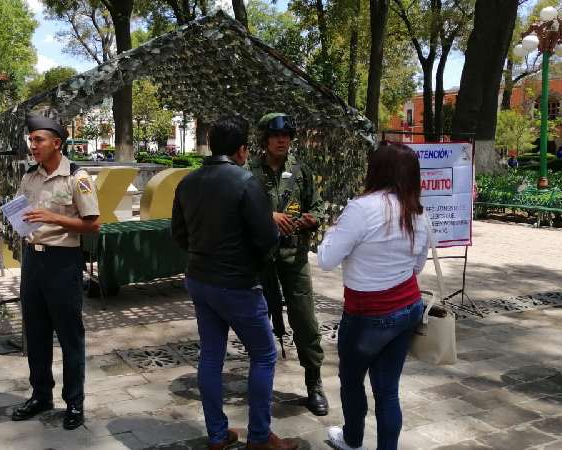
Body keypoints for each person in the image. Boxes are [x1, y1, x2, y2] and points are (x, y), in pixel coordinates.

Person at [172, 115, 297, 450]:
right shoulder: (245, 183)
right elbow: (266, 237)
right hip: (237, 284)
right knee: (264, 355)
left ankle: (217, 434)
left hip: (200, 278)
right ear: (243, 151)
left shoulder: (188, 182)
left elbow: (179, 235)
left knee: (212, 356)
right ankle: (259, 436)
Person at [317, 143, 429, 450]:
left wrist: (331, 231)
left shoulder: (361, 209)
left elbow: (326, 259)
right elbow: (416, 266)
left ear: (375, 170)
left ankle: (352, 439)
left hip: (367, 316)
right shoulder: (418, 212)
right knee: (388, 390)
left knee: (352, 381)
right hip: (407, 308)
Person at [11, 114, 100, 430]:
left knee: (69, 336)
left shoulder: (78, 177)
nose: (32, 145)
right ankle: (41, 395)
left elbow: (93, 225)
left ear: (57, 143)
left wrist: (53, 217)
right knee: (35, 333)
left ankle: (74, 403)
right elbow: (25, 214)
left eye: (39, 140)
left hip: (63, 262)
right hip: (32, 261)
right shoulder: (29, 177)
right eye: (31, 140)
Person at [247, 112, 329, 416]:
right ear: (264, 139)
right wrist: (267, 217)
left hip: (294, 257)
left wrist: (313, 218)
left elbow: (317, 205)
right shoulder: (248, 172)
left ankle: (314, 383)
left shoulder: (301, 171)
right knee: (257, 322)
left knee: (305, 320)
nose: (282, 140)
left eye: (287, 136)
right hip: (260, 260)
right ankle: (260, 383)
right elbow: (237, 210)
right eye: (276, 135)